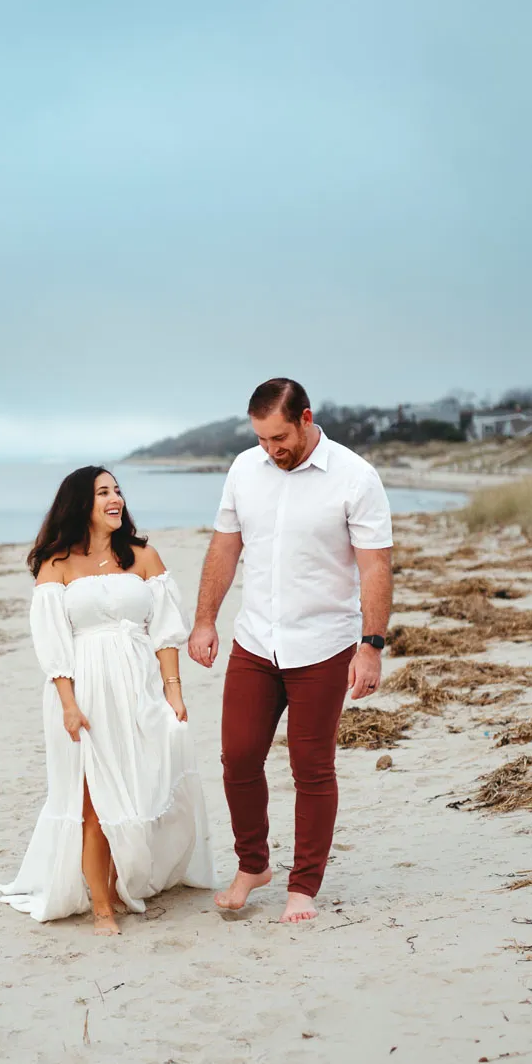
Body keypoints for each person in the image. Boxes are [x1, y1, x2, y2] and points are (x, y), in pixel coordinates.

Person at [188, 378, 393, 925]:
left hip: (323, 646)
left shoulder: (355, 477)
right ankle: (253, 865)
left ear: (305, 418)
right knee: (238, 759)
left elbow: (376, 566)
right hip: (255, 642)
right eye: (261, 439)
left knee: (312, 768)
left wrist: (370, 647)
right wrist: (205, 619)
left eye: (279, 437)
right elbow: (225, 547)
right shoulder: (243, 470)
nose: (271, 450)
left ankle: (303, 887)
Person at [0, 466, 215, 935]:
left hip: (139, 687)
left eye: (117, 490)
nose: (115, 498)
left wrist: (173, 690)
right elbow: (52, 644)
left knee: (142, 785)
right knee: (93, 801)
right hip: (86, 691)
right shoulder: (57, 564)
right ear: (81, 504)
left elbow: (166, 632)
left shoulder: (143, 557)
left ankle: (120, 880)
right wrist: (69, 705)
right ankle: (102, 905)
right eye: (102, 492)